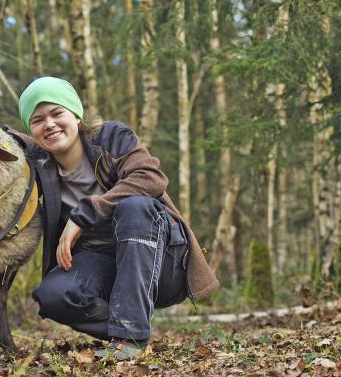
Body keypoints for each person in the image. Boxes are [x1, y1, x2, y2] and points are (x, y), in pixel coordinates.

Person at [20, 77, 218, 360]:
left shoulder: (112, 137)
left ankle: (131, 338)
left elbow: (150, 178)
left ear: (76, 115)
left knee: (134, 207)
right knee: (53, 296)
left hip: (161, 260)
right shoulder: (39, 163)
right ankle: (128, 327)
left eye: (57, 113)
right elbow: (0, 138)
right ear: (32, 130)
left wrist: (85, 213)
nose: (49, 124)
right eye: (37, 120)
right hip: (100, 262)